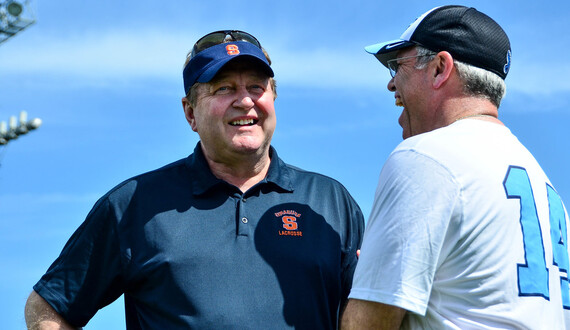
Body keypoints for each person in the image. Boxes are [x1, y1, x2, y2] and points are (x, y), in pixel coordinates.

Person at [25, 30, 364, 329]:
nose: (245, 101)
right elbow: (48, 306)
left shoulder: (330, 202)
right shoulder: (134, 204)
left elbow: (371, 314)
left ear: (272, 99)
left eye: (257, 87)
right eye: (225, 88)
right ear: (190, 112)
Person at [341, 5, 570, 329]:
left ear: (439, 68)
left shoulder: (424, 157)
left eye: (397, 65)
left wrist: (368, 281)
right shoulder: (543, 184)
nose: (392, 84)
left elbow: (365, 326)